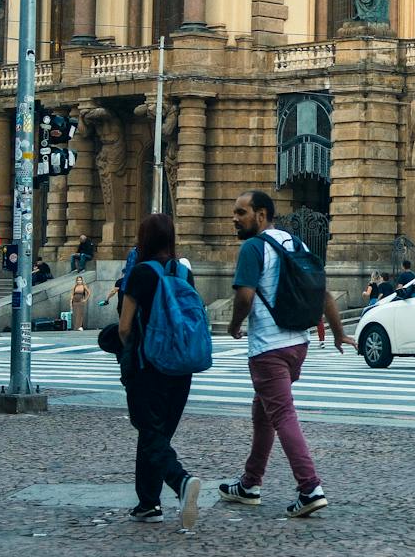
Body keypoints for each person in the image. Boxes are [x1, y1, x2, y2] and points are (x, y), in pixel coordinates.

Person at [219, 190, 352, 518]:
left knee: (282, 415)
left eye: (241, 212)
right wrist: (338, 333)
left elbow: (245, 296)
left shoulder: (253, 247)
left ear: (261, 215)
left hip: (269, 346)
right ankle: (250, 483)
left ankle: (309, 488)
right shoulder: (296, 244)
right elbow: (324, 293)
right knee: (263, 411)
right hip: (298, 343)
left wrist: (234, 325)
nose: (234, 218)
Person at [114, 213, 202, 526]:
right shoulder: (184, 272)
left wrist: (129, 349)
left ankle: (180, 481)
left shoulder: (140, 273)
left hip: (147, 364)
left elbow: (125, 327)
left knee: (149, 432)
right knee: (157, 434)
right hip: (181, 365)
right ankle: (148, 503)